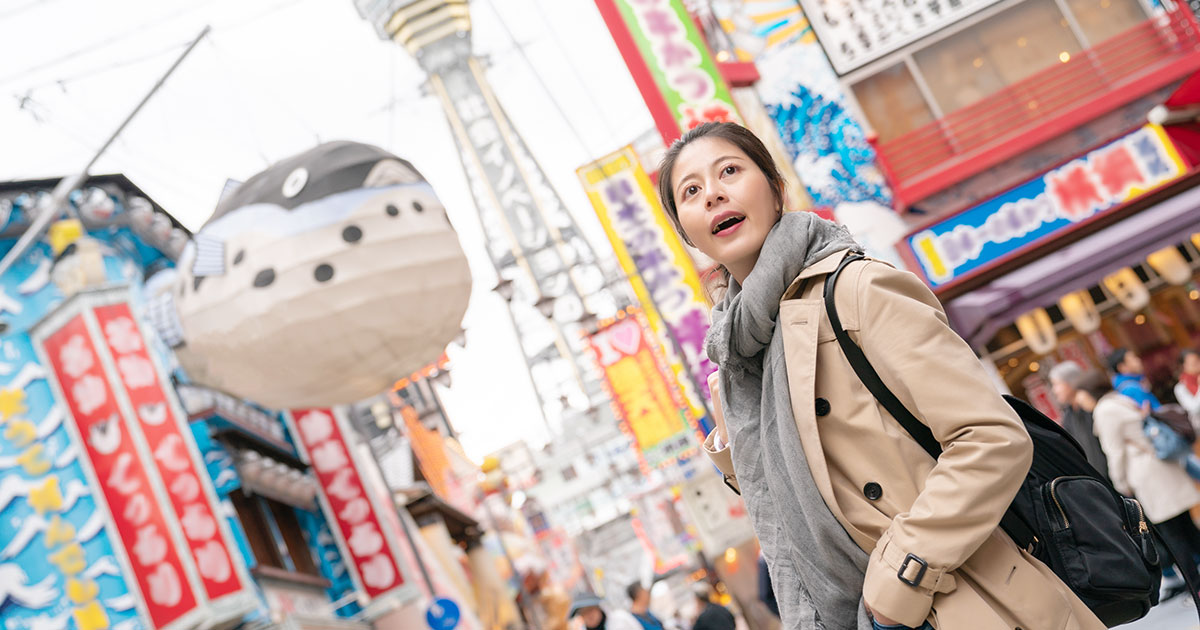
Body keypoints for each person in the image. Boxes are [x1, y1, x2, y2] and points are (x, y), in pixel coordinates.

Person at [661, 122, 1103, 630]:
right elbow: (800, 496)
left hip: (958, 604)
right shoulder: (739, 356)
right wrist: (732, 439)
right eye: (691, 191)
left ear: (776, 189)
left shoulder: (856, 289)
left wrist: (899, 581)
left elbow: (992, 437)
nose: (713, 193)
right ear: (686, 232)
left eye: (730, 172)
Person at [1081, 377, 1200, 596]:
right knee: (1188, 531)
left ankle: (1196, 588)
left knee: (1174, 537)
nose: (1080, 402)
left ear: (1089, 393)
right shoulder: (1119, 400)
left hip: (1148, 477)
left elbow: (1115, 452)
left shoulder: (1104, 411)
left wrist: (1120, 484)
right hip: (1163, 467)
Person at [1048, 362, 1109, 478]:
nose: (1054, 391)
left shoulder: (1093, 405)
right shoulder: (1068, 416)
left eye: (1056, 384)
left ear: (1071, 382)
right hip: (1097, 480)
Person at [570, 593, 643, 630]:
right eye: (584, 613)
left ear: (599, 608)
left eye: (591, 610)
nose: (589, 615)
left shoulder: (619, 618)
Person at [1175, 349, 1200, 429]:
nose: (1197, 364)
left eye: (1198, 361)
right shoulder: (1180, 388)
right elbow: (1194, 409)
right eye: (1193, 363)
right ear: (1183, 366)